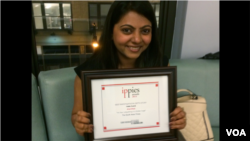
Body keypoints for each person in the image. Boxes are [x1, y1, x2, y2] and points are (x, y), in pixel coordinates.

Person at [71, 0, 186, 137]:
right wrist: (79, 122)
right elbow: (75, 115)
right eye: (127, 30)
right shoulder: (87, 72)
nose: (137, 39)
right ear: (110, 32)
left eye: (145, 31)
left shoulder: (160, 65)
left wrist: (177, 118)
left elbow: (167, 112)